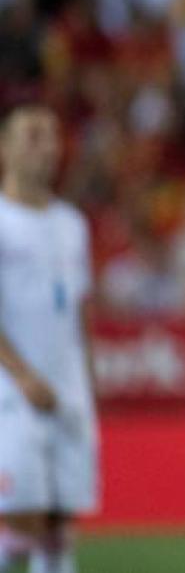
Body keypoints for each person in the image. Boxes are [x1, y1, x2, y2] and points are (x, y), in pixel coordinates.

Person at [0, 102, 97, 573]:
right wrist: (21, 376)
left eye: (51, 136)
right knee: (22, 522)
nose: (44, 147)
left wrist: (87, 385)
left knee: (60, 525)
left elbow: (79, 310)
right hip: (12, 395)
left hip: (67, 390)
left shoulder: (72, 225)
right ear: (5, 148)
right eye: (31, 136)